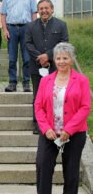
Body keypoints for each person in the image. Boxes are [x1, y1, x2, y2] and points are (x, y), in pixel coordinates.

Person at [35, 42, 91, 194]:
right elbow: (38, 106)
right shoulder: (45, 80)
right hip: (49, 133)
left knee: (71, 172)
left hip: (74, 134)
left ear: (72, 60)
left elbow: (85, 107)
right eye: (58, 58)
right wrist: (46, 128)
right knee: (42, 167)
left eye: (65, 58)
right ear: (54, 60)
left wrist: (69, 129)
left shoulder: (82, 81)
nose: (61, 61)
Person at [26, 0, 69, 134]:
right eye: (41, 8)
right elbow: (28, 44)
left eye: (46, 8)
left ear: (52, 9)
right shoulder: (30, 26)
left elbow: (64, 43)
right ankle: (39, 124)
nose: (44, 11)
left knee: (55, 96)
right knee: (38, 96)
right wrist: (40, 58)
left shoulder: (61, 25)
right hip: (36, 66)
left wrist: (48, 56)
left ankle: (54, 122)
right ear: (38, 11)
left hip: (55, 68)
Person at [1, 0, 37, 92]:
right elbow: (3, 15)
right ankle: (12, 83)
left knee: (27, 58)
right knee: (12, 58)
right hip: (11, 28)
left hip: (27, 28)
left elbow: (34, 13)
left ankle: (26, 83)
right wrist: (5, 30)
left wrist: (33, 29)